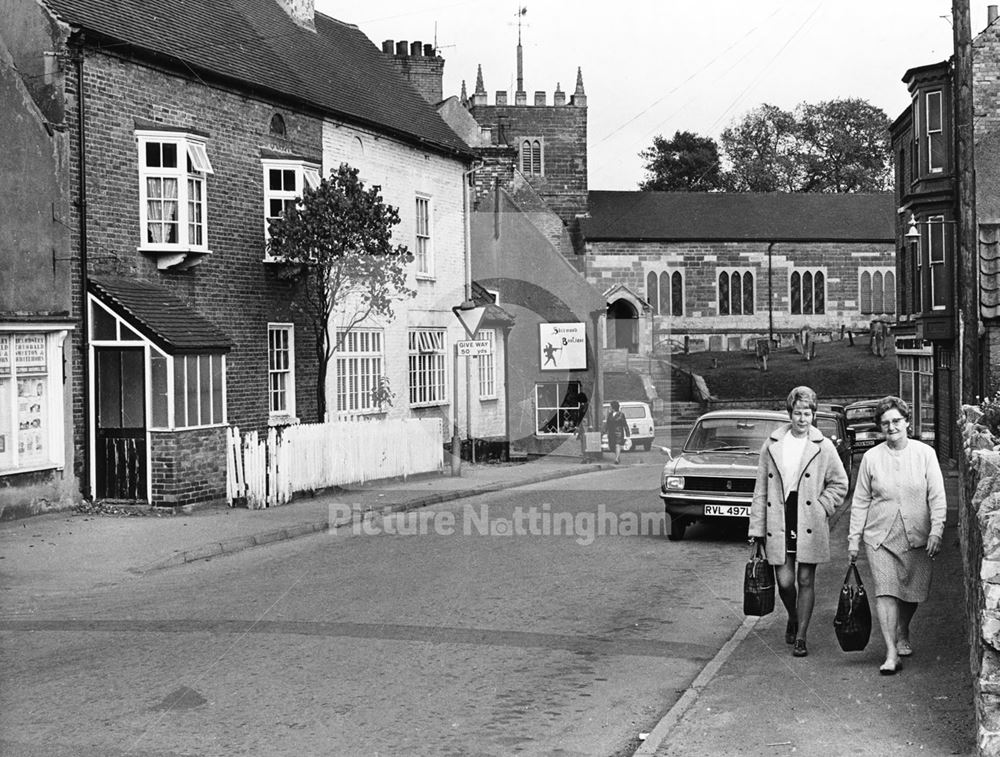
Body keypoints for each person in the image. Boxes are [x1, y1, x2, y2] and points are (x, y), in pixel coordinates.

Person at [847, 396, 945, 676]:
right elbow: (860, 501)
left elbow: (937, 496)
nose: (891, 427)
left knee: (912, 594)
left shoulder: (925, 454)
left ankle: (903, 629)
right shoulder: (871, 458)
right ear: (880, 427)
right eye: (885, 423)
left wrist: (937, 529)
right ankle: (891, 652)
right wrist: (854, 539)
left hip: (918, 535)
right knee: (887, 592)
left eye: (896, 421)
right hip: (880, 538)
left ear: (907, 422)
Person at [749, 386, 849, 658]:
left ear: (814, 415)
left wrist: (822, 506)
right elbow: (760, 489)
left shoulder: (824, 446)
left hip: (809, 518)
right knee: (784, 581)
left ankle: (801, 636)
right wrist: (756, 528)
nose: (802, 419)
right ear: (789, 414)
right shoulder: (771, 445)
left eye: (807, 413)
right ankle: (792, 616)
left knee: (806, 579)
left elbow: (840, 483)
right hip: (779, 516)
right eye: (797, 413)